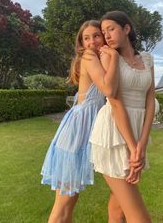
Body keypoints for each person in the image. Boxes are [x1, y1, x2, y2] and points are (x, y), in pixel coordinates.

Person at [41, 20, 139, 223]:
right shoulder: (88, 57)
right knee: (64, 204)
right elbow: (108, 89)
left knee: (111, 192)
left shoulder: (100, 57)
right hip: (78, 130)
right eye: (86, 38)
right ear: (82, 43)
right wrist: (112, 57)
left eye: (96, 35)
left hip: (95, 128)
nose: (92, 41)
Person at [90, 10, 155, 223]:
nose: (106, 35)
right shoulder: (109, 56)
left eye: (111, 29)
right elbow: (115, 102)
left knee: (118, 209)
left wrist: (142, 144)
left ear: (126, 29)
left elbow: (150, 100)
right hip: (114, 134)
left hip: (137, 134)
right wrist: (133, 146)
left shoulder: (147, 58)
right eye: (103, 31)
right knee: (139, 217)